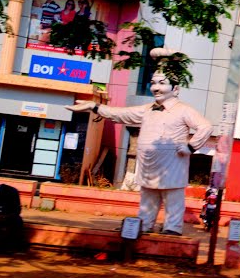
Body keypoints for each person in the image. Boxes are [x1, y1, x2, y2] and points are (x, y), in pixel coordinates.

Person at [66, 48, 212, 235]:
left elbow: (205, 127)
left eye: (162, 83)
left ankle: (172, 228)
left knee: (173, 201)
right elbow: (120, 113)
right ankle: (143, 226)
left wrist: (190, 147)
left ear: (175, 89)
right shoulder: (147, 109)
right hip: (149, 167)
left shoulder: (184, 110)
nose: (156, 88)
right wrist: (95, 106)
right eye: (153, 83)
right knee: (147, 203)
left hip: (173, 166)